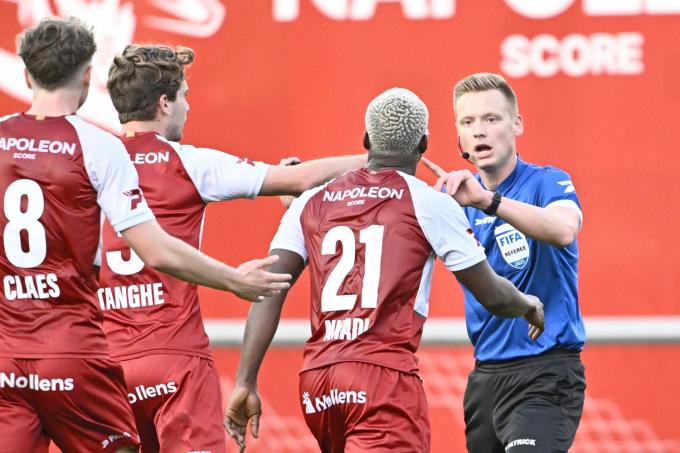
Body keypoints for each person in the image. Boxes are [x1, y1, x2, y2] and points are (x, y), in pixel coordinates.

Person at [0, 18, 290, 453]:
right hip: (78, 352)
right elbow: (154, 249)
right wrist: (234, 279)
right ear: (87, 75)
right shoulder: (99, 146)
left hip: (10, 356)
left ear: (26, 75)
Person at [223, 87, 545, 453]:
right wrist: (528, 304)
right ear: (423, 144)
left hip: (319, 383)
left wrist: (245, 381)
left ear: (366, 141)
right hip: (382, 378)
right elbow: (493, 296)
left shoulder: (309, 201)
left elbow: (268, 287)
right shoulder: (429, 202)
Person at [101, 43, 367, 453]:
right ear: (164, 103)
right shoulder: (188, 162)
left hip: (108, 365)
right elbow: (298, 179)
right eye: (184, 95)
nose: (188, 106)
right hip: (175, 362)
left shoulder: (91, 164)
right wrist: (378, 158)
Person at [423, 72, 586, 452]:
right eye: (468, 122)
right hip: (486, 381)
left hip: (546, 372)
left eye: (491, 119)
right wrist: (304, 201)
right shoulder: (452, 203)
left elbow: (564, 229)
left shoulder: (547, 182)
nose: (479, 130)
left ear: (517, 125)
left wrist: (489, 202)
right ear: (459, 136)